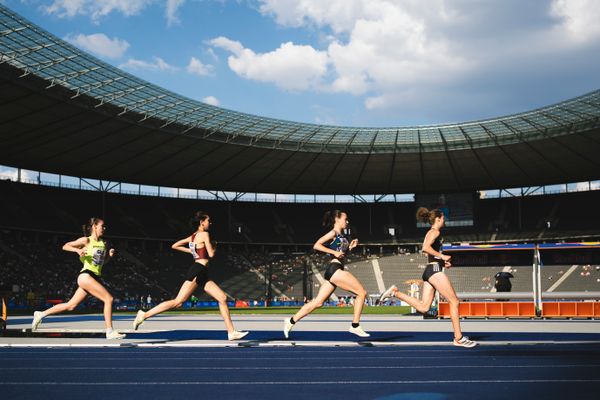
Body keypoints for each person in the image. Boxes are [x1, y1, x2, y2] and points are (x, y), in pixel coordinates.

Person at [133, 211, 248, 341]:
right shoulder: (205, 234)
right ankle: (144, 315)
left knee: (222, 298)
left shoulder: (193, 236)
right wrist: (212, 247)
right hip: (198, 270)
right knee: (177, 302)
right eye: (208, 221)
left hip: (202, 271)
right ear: (201, 222)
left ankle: (231, 332)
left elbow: (175, 245)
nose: (210, 223)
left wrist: (193, 252)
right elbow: (211, 254)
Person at [379, 207, 476, 347]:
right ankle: (458, 338)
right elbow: (425, 248)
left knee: (424, 308)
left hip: (430, 269)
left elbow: (430, 253)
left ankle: (396, 292)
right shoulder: (435, 232)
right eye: (443, 218)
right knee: (454, 301)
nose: (444, 220)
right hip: (434, 270)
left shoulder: (432, 232)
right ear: (438, 219)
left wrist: (443, 262)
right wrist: (442, 256)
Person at [31, 218, 125, 339]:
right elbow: (65, 246)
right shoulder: (86, 240)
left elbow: (100, 264)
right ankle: (110, 331)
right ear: (94, 227)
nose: (104, 228)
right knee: (109, 299)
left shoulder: (103, 244)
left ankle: (41, 314)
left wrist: (109, 257)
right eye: (102, 226)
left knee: (71, 306)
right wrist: (77, 250)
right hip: (86, 275)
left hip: (93, 277)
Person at [283, 210, 369, 338]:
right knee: (361, 293)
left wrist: (350, 248)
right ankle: (355, 326)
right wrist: (333, 253)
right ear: (337, 219)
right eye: (345, 219)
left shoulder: (342, 236)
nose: (347, 221)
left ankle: (290, 321)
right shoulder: (333, 233)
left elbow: (341, 254)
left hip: (334, 270)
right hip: (335, 269)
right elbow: (317, 245)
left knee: (318, 302)